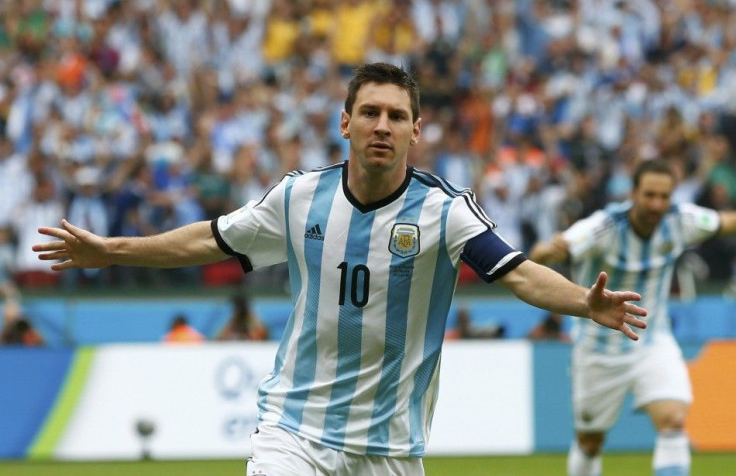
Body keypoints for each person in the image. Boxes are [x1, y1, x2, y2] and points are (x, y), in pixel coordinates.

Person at [33, 63, 647, 476]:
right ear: (345, 122)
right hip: (293, 432)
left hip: (390, 447)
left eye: (397, 116)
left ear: (416, 132)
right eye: (371, 112)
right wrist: (112, 250)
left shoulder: (443, 210)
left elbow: (516, 273)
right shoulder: (299, 198)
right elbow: (211, 240)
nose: (384, 125)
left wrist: (583, 303)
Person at [529, 158, 736, 476]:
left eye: (664, 196)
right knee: (590, 441)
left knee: (673, 420)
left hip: (653, 341)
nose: (657, 204)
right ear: (633, 193)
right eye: (649, 195)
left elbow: (724, 222)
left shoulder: (682, 220)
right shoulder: (605, 226)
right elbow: (554, 249)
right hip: (598, 349)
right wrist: (546, 251)